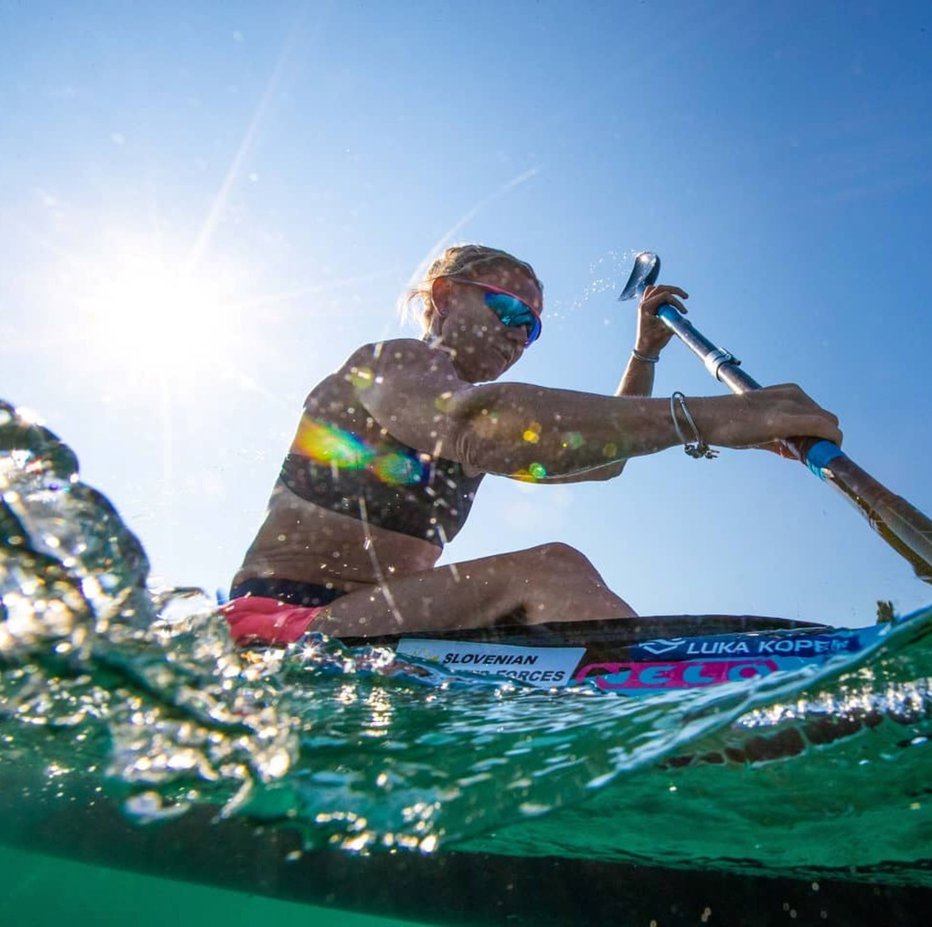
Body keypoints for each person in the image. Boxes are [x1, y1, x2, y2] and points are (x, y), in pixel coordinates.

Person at [225, 244, 842, 645]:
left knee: (553, 572)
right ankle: (656, 702)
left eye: (534, 328)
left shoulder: (470, 427)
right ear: (445, 298)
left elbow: (607, 459)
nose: (521, 335)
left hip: (382, 621)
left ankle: (633, 687)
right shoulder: (390, 366)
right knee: (551, 569)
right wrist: (715, 416)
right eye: (509, 311)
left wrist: (644, 354)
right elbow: (482, 423)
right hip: (279, 618)